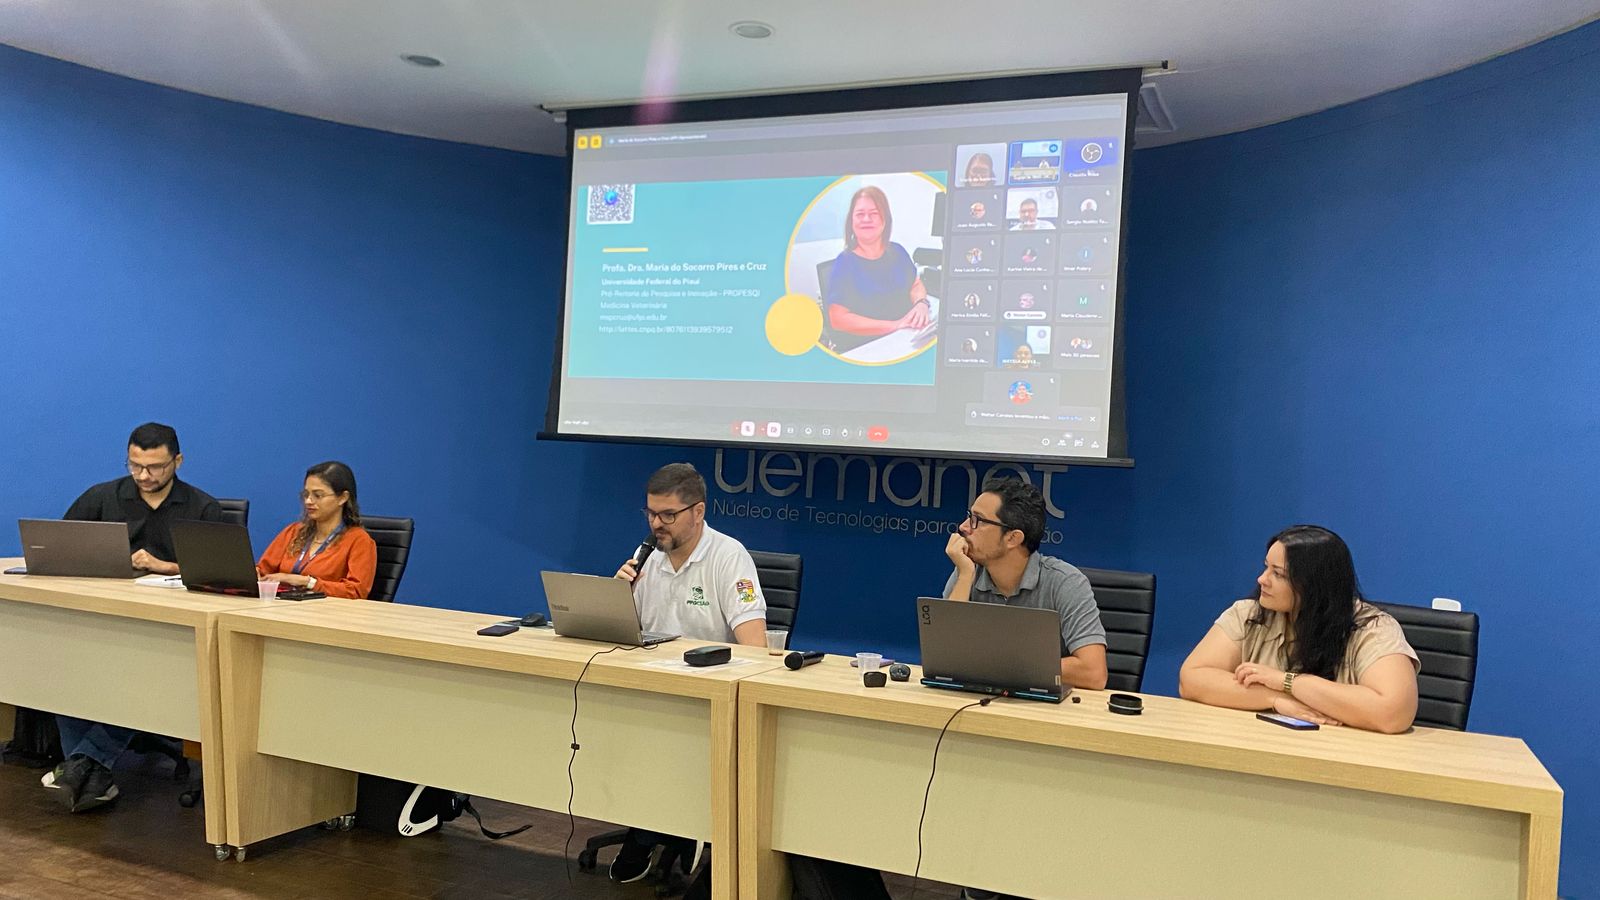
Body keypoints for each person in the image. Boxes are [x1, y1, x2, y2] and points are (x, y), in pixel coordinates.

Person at [44, 423, 226, 812]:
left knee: (140, 676)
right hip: (102, 619)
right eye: (135, 466)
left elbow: (225, 574)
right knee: (63, 673)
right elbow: (62, 548)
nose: (144, 476)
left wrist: (165, 565)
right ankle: (90, 774)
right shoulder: (101, 497)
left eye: (155, 467)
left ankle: (80, 767)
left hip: (172, 633)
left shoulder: (203, 508)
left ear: (178, 461)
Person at [609, 463, 768, 883]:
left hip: (708, 698)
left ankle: (675, 827)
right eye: (650, 513)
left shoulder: (729, 557)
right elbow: (621, 635)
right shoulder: (647, 557)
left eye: (668, 515)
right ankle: (650, 822)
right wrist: (618, 596)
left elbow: (755, 648)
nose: (656, 525)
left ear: (698, 512)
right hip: (651, 689)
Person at [1178, 525, 1419, 733]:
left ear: (1314, 585)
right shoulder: (1248, 614)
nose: (1262, 579)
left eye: (1278, 574)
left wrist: (1287, 682)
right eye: (1266, 567)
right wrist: (1276, 699)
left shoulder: (1373, 627)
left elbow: (1393, 713)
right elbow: (1191, 679)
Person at [943, 477, 1107, 690]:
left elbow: (1093, 673)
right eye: (969, 516)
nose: (963, 527)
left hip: (1044, 704)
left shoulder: (1065, 582)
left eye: (978, 520)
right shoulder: (967, 571)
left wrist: (999, 668)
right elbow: (945, 657)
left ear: (1013, 538)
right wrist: (965, 575)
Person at [823, 186, 930, 353]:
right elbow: (838, 319)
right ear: (851, 222)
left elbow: (915, 284)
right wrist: (895, 325)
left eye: (874, 213)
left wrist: (921, 304)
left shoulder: (897, 251)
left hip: (905, 338)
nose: (866, 219)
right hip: (868, 348)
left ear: (885, 219)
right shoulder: (844, 263)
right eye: (860, 214)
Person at [256, 461, 377, 600]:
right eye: (306, 494)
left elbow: (356, 591)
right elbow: (263, 570)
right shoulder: (294, 531)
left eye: (318, 495)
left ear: (342, 498)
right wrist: (254, 574)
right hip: (283, 606)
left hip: (326, 611)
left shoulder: (359, 541)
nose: (308, 501)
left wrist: (307, 582)